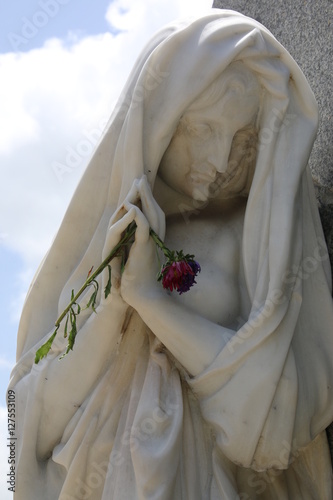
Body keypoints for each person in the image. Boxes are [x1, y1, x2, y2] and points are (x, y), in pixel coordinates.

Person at [9, 10, 333, 499]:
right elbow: (28, 427)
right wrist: (117, 298)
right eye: (203, 131)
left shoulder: (250, 244)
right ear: (161, 119)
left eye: (244, 141)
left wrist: (151, 300)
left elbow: (273, 429)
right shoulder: (106, 248)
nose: (222, 161)